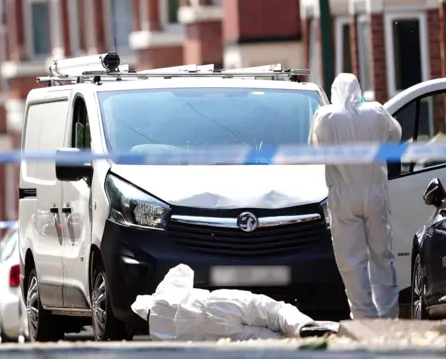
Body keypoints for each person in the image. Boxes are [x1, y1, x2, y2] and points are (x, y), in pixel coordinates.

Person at [308, 73, 402, 319]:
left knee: (352, 261)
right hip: (375, 189)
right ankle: (388, 316)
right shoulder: (376, 112)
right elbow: (396, 136)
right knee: (382, 255)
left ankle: (363, 316)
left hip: (343, 193)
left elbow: (314, 150)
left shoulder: (325, 116)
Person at [131, 264, 338, 341]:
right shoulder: (165, 290)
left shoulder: (159, 335)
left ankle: (301, 340)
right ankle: (304, 327)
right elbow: (184, 270)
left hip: (209, 335)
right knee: (274, 311)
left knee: (269, 339)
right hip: (217, 303)